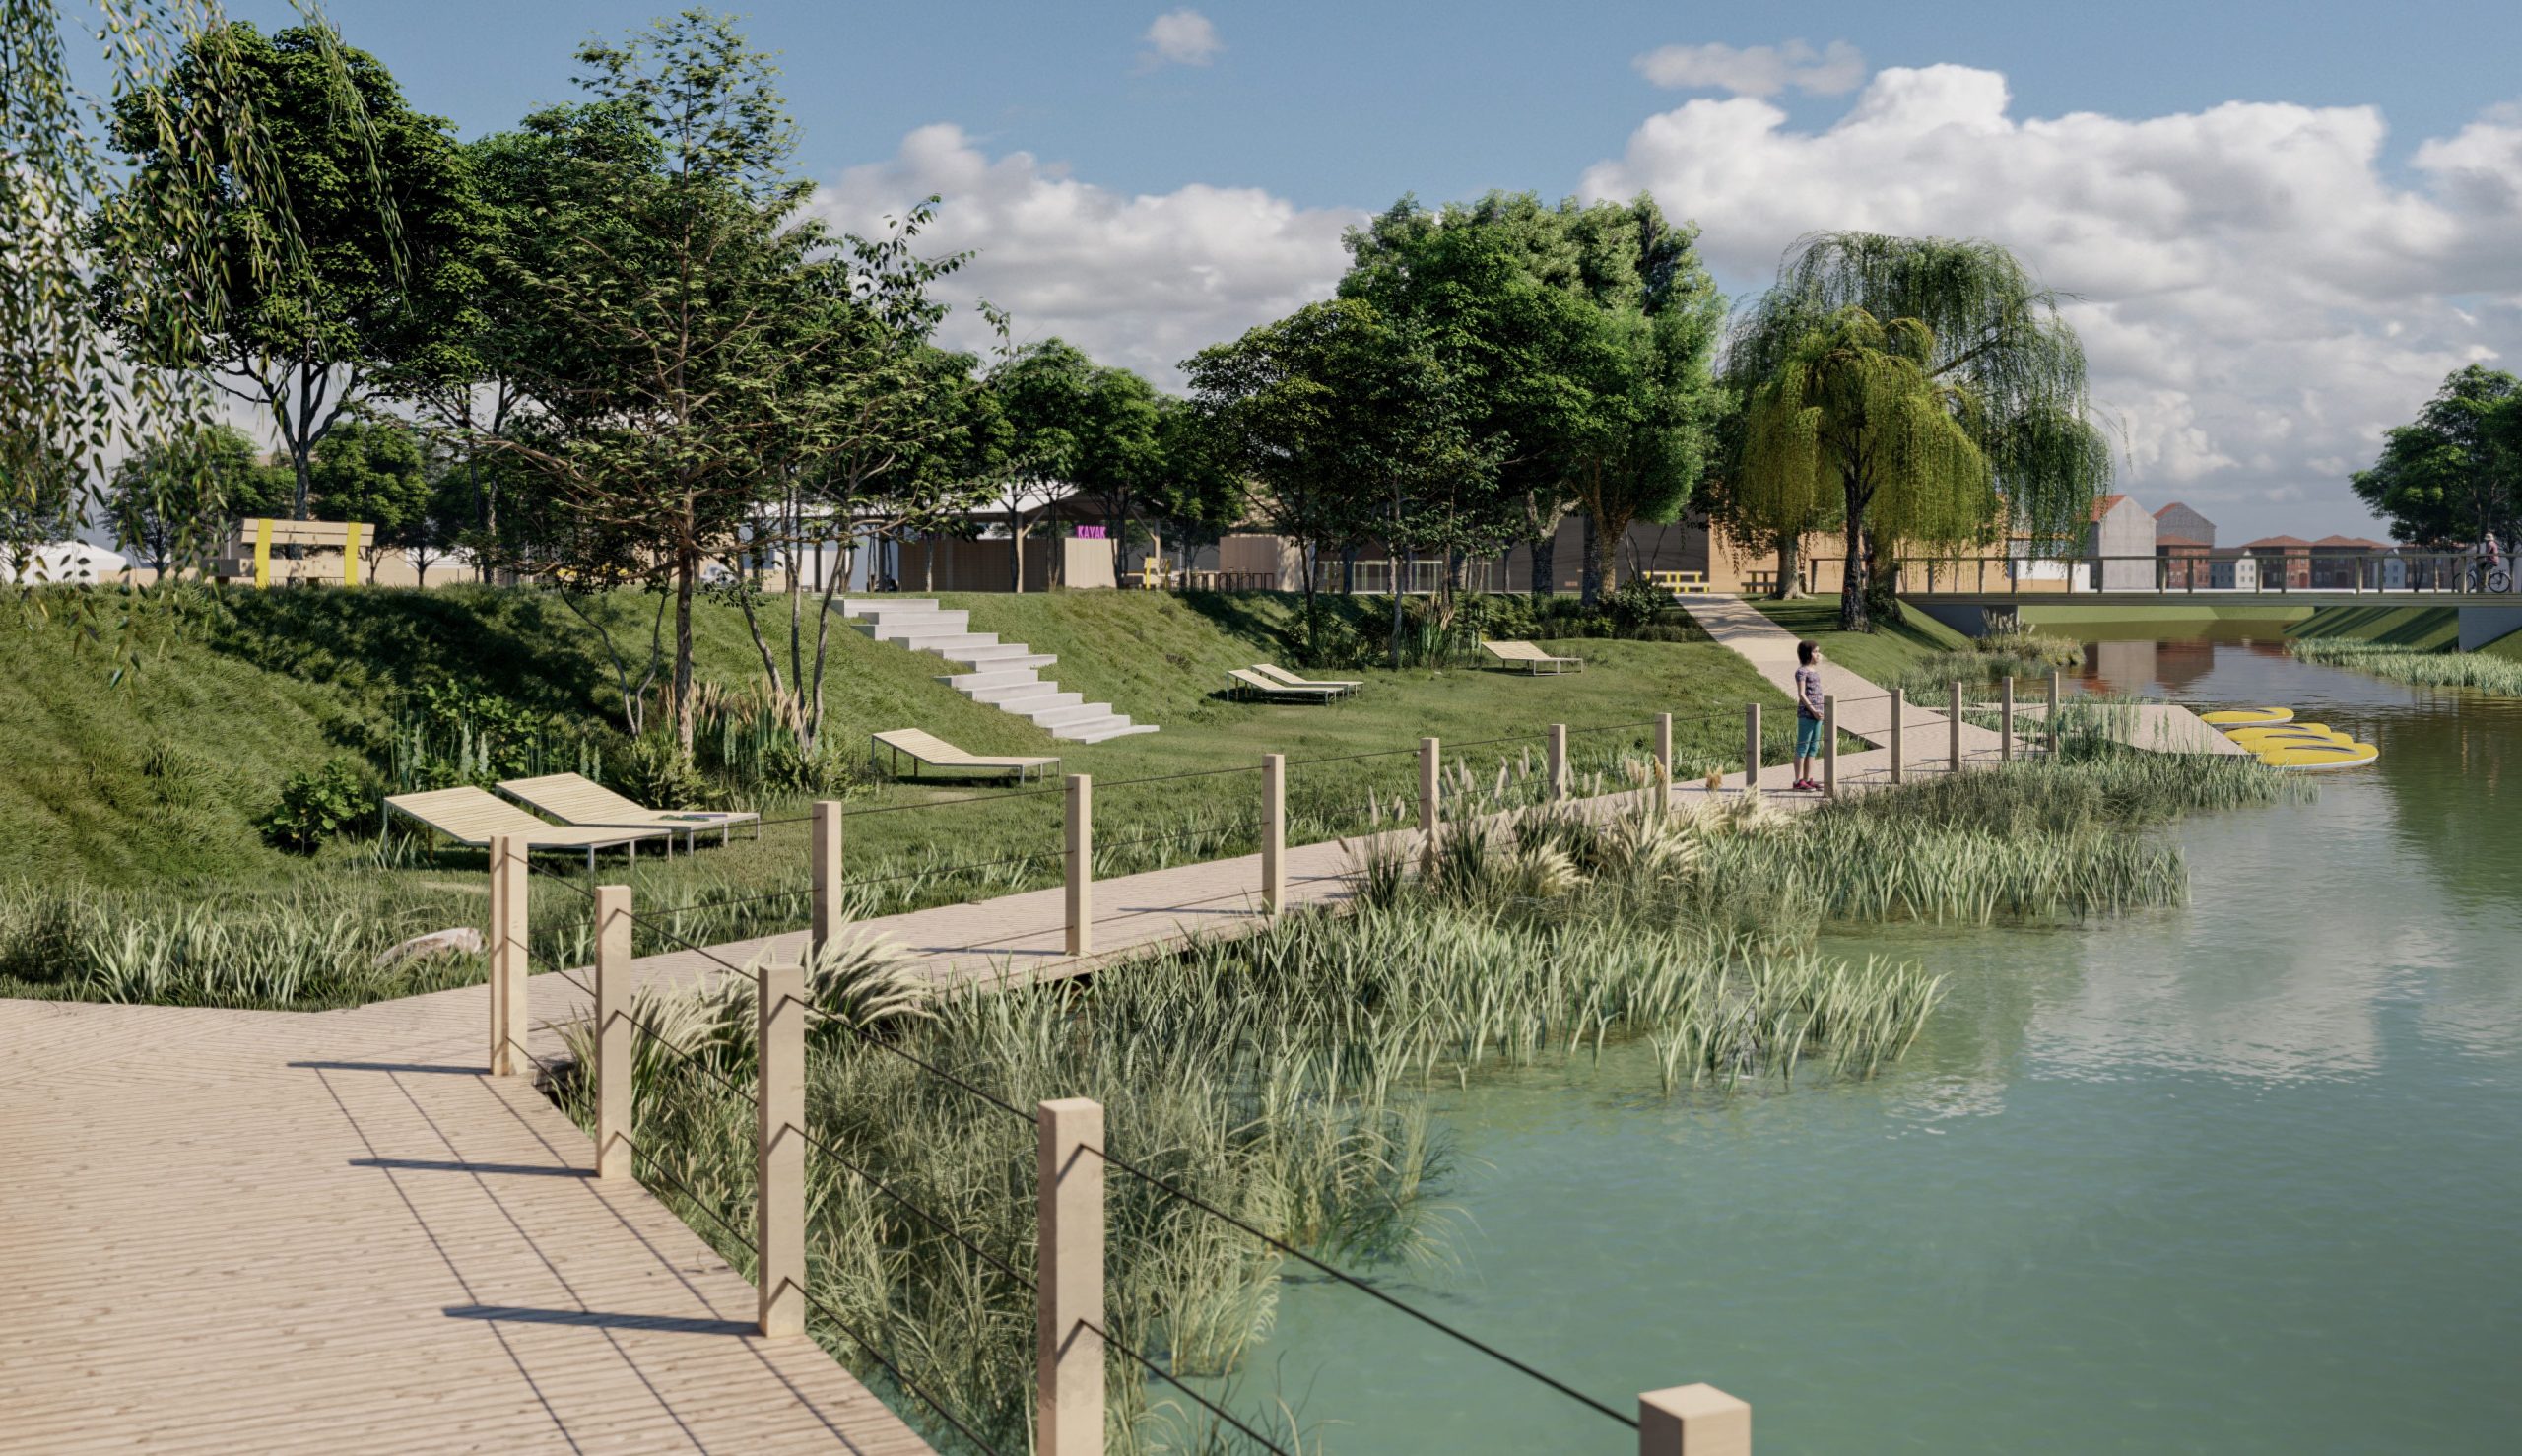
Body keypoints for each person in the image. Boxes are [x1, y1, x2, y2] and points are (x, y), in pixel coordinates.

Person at [1792, 640, 1825, 791]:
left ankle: (1807, 779)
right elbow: (1801, 694)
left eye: (1818, 651)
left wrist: (1819, 712)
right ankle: (1798, 781)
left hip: (1818, 715)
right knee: (1802, 747)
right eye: (1815, 651)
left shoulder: (1814, 671)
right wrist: (1813, 710)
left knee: (1813, 748)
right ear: (1807, 654)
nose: (1818, 654)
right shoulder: (1802, 672)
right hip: (1807, 714)